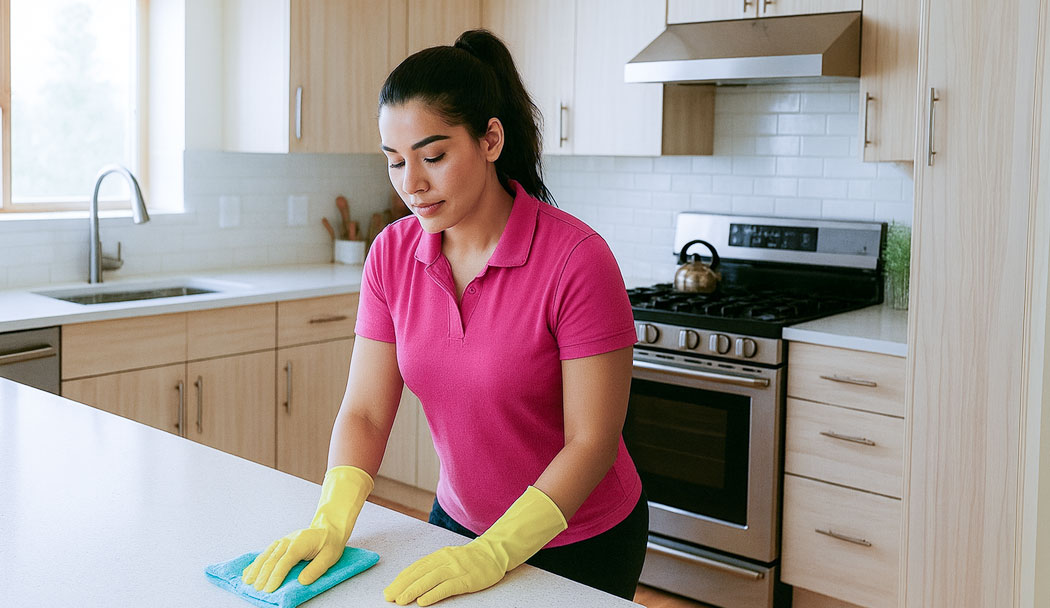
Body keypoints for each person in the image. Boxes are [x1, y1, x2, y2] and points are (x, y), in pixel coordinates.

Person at [241, 29, 647, 606]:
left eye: (433, 157)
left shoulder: (576, 261)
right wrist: (332, 519)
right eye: (395, 162)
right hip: (459, 522)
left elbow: (592, 442)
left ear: (490, 140)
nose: (412, 183)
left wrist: (498, 551)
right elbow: (365, 409)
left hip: (580, 539)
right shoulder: (390, 255)